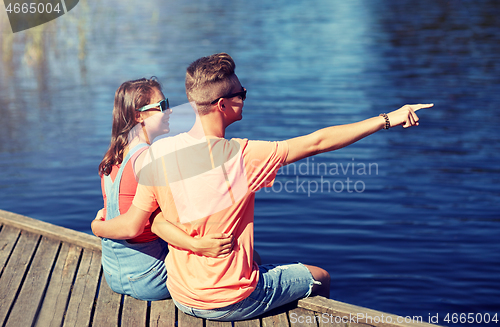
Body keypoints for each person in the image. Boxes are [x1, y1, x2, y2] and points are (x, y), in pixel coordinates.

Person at [92, 53, 433, 320]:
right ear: (223, 105)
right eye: (241, 93)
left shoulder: (160, 151)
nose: (244, 97)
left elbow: (152, 219)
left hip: (182, 294)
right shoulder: (242, 155)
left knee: (255, 257)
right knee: (320, 276)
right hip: (228, 300)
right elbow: (318, 142)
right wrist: (388, 119)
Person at [95, 77, 233, 301]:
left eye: (167, 104)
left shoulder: (113, 157)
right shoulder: (147, 159)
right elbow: (141, 226)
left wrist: (99, 223)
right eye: (161, 106)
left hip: (113, 273)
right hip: (149, 276)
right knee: (235, 259)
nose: (169, 111)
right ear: (138, 115)